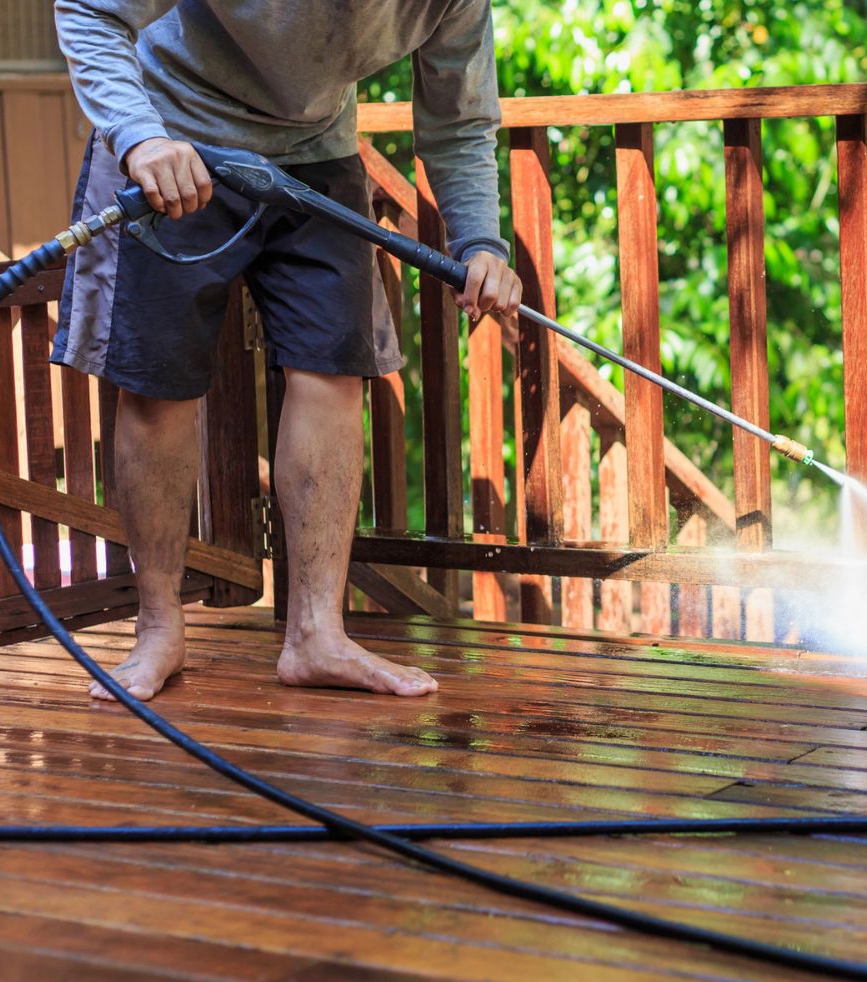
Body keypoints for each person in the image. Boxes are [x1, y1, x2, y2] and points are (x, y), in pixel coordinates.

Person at [51, 1, 521, 701]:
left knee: (335, 371)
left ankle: (315, 635)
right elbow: (88, 10)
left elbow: (457, 122)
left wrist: (481, 241)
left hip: (317, 153)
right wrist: (139, 138)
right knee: (158, 385)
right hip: (171, 135)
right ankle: (158, 631)